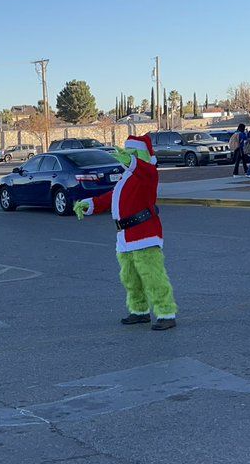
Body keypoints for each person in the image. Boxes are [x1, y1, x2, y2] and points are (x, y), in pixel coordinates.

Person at [73, 135, 177, 331]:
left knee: (153, 276)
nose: (127, 156)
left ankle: (166, 312)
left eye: (133, 153)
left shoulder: (148, 174)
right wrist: (91, 204)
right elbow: (112, 197)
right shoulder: (126, 178)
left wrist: (133, 163)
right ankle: (139, 311)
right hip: (124, 236)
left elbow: (146, 172)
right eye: (126, 153)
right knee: (130, 277)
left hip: (145, 234)